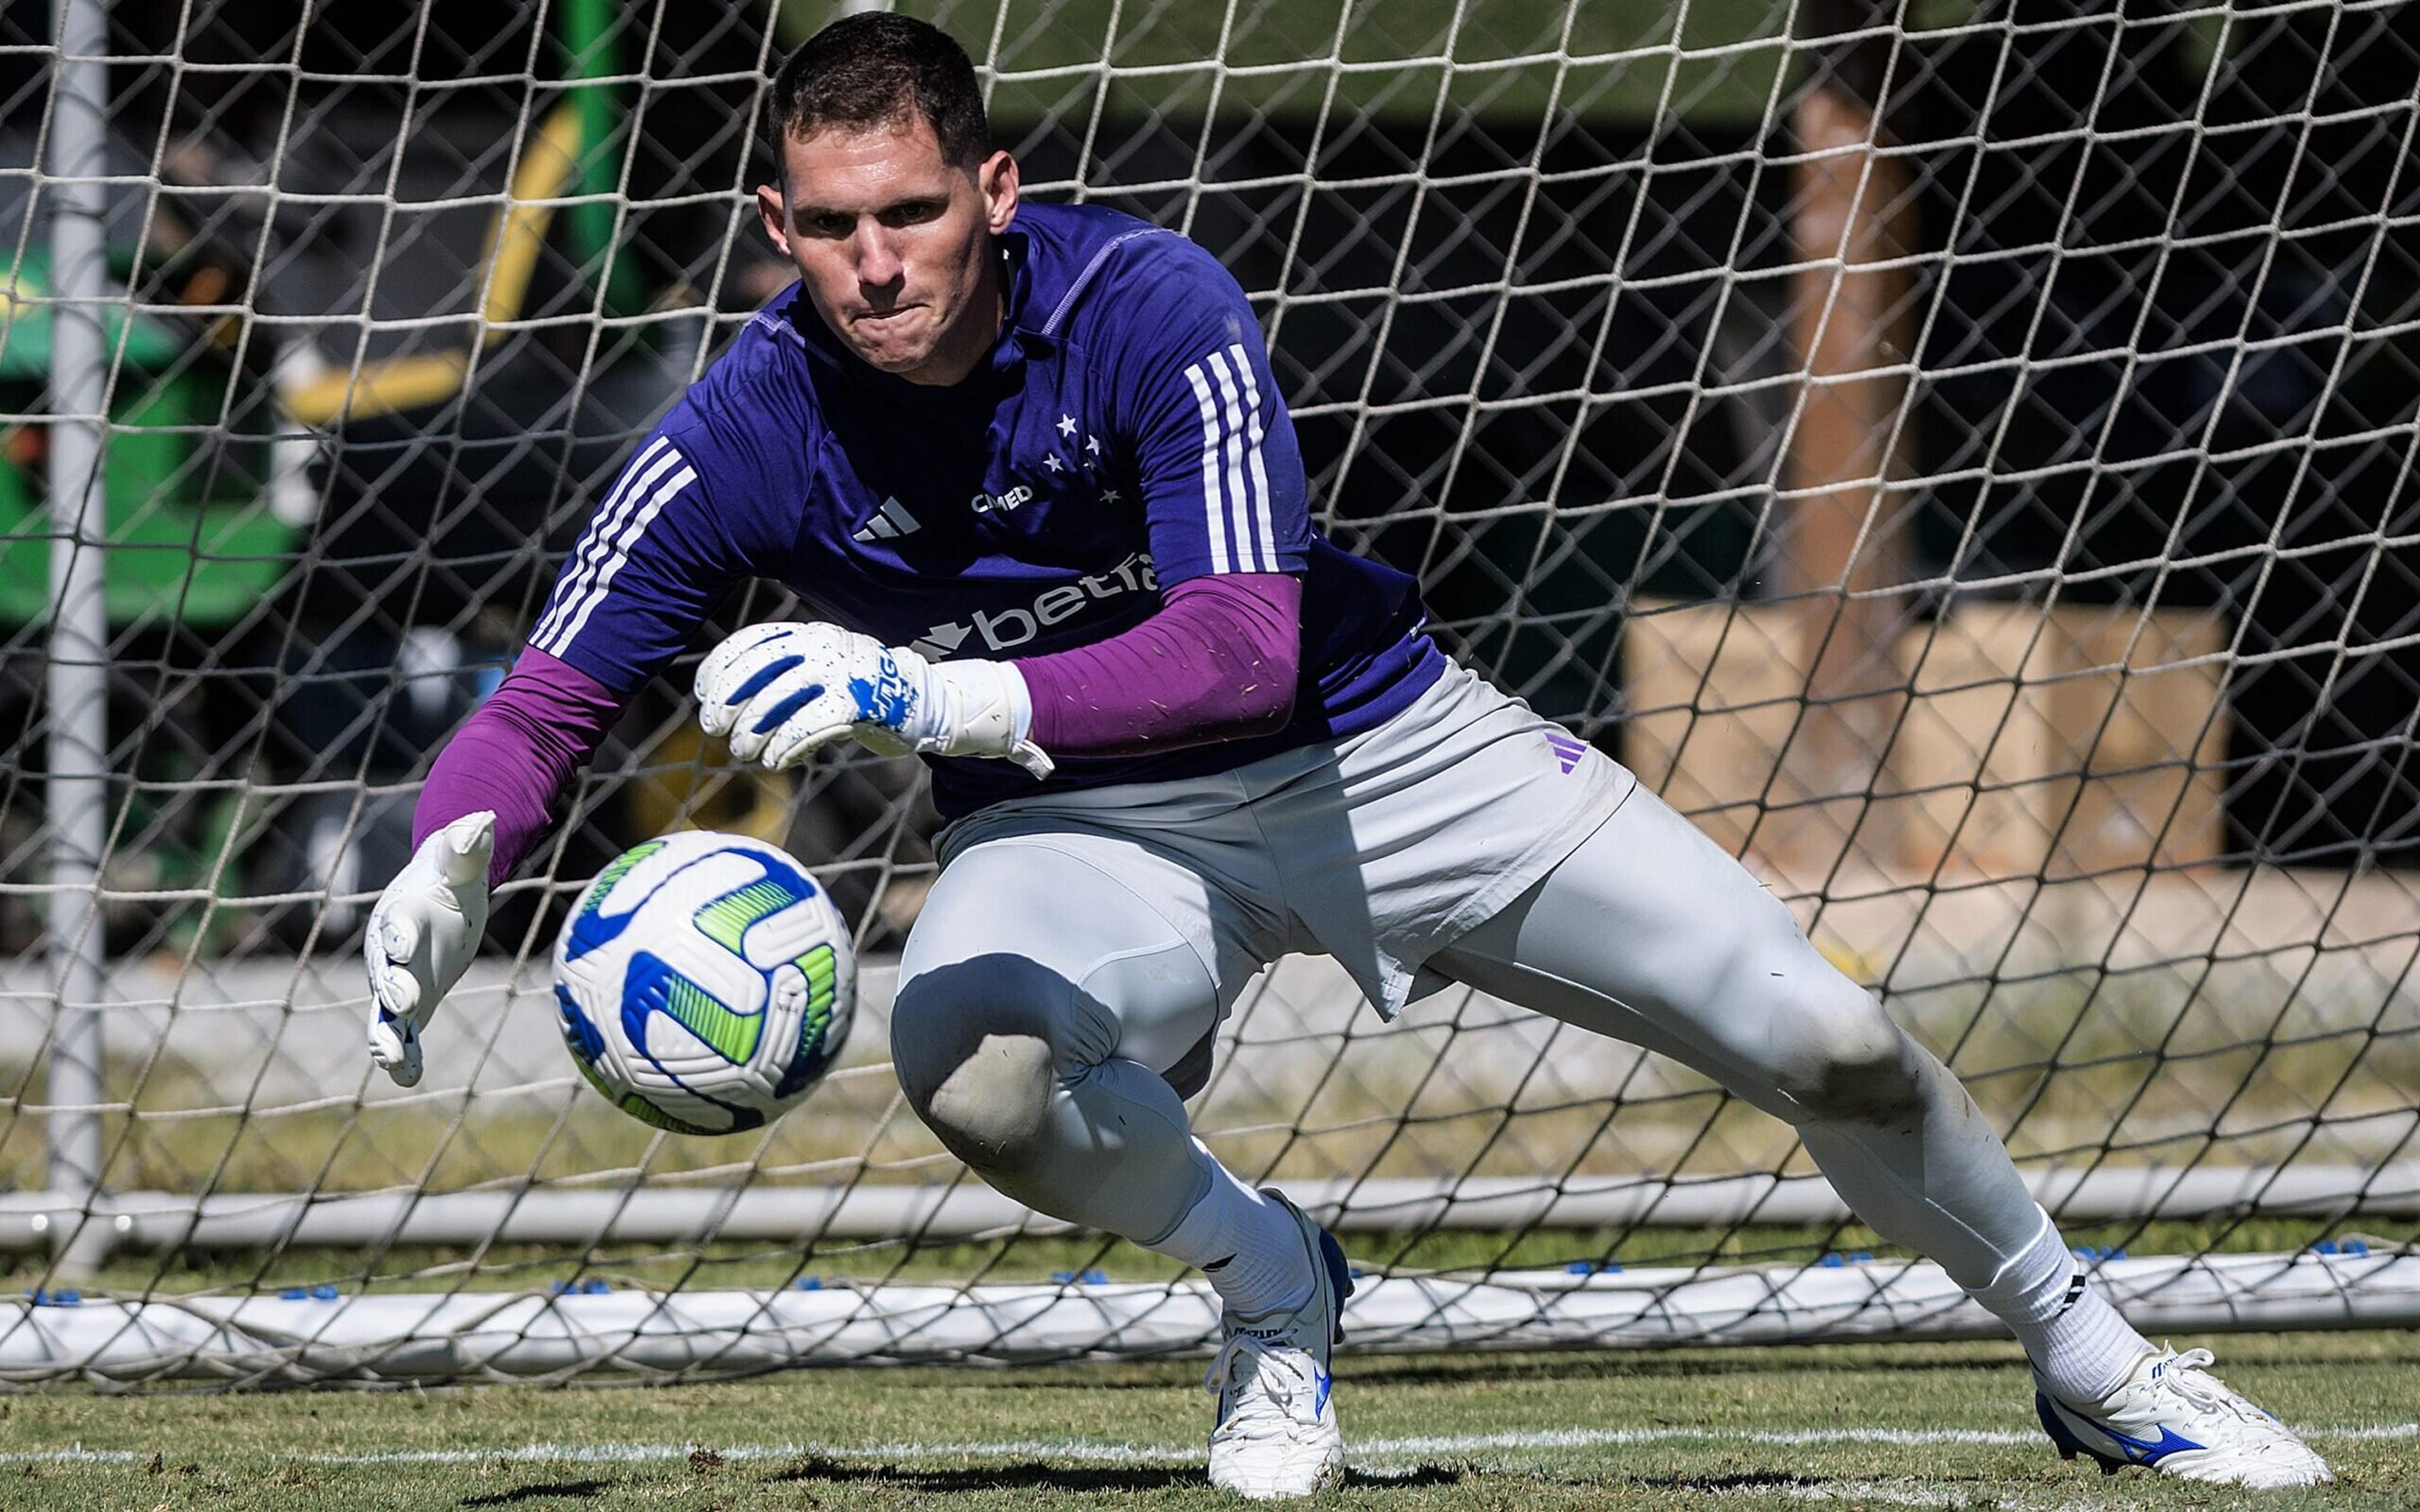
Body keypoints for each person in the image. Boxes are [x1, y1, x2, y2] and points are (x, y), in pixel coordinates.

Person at [362, 14, 2327, 1499]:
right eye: (834, 231)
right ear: (776, 229)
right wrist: (457, 860)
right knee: (971, 1073)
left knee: (1829, 1041)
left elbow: (1235, 644)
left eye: (914, 216)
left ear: (995, 197)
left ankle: (2093, 1354)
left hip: (1383, 756)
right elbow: (547, 702)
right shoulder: (743, 429)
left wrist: (941, 700)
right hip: (1092, 828)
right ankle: (1272, 1277)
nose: (877, 265)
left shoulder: (1156, 309)